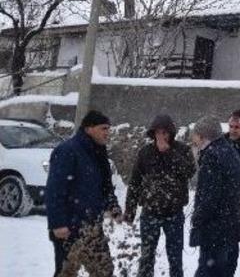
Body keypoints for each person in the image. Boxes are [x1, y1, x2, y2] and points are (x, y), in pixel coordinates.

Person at [45, 109, 122, 277]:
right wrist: (58, 223)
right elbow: (55, 188)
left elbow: (106, 187)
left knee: (104, 270)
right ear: (89, 129)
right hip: (69, 228)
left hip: (92, 227)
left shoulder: (99, 153)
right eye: (103, 128)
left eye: (108, 128)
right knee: (67, 272)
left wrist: (114, 207)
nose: (107, 133)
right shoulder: (68, 151)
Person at [124, 114, 196, 277]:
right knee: (146, 257)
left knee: (175, 258)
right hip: (150, 212)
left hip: (174, 213)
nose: (162, 136)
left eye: (165, 133)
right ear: (153, 133)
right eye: (158, 132)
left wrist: (169, 153)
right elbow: (135, 182)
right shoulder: (145, 152)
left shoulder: (182, 150)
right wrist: (130, 210)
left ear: (171, 133)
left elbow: (189, 172)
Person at [190, 117, 240, 277]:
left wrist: (197, 219)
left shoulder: (212, 157)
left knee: (209, 271)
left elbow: (209, 196)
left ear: (203, 136)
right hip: (230, 226)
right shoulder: (230, 151)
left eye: (195, 135)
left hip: (215, 230)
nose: (193, 139)